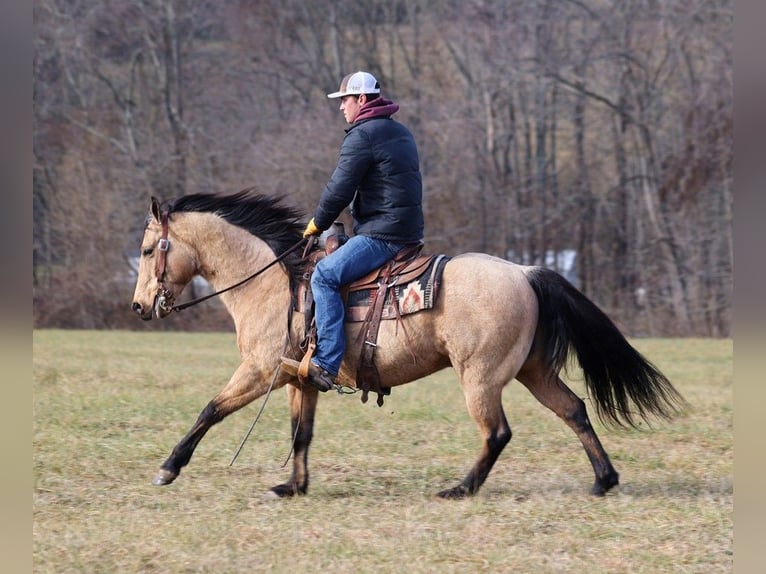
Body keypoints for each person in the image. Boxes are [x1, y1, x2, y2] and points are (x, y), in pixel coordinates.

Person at [296, 70, 424, 392]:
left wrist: (317, 223)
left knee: (323, 275)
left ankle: (326, 363)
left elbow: (339, 189)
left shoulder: (362, 135)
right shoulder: (401, 132)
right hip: (407, 232)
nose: (342, 107)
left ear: (362, 100)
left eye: (345, 100)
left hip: (382, 236)